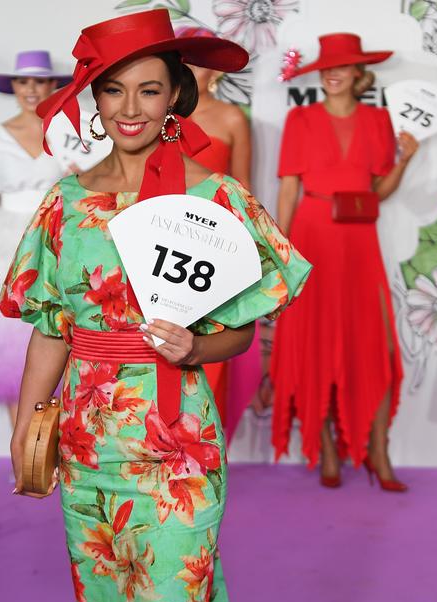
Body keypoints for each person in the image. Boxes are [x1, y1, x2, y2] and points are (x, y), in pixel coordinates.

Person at [0, 10, 311, 602]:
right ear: (95, 98)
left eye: (149, 89)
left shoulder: (212, 201)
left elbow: (240, 335)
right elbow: (51, 329)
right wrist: (30, 429)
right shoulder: (67, 203)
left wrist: (194, 343)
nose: (131, 107)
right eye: (114, 89)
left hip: (177, 457)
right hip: (90, 454)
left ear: (178, 95)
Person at [271, 33, 418, 491]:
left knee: (371, 344)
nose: (332, 73)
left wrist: (406, 161)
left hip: (359, 242)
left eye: (342, 67)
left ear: (359, 74)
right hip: (312, 236)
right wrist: (282, 250)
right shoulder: (300, 118)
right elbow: (290, 188)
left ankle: (378, 449)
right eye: (326, 68)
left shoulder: (378, 121)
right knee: (314, 341)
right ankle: (327, 449)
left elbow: (378, 192)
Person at [0, 51, 69, 426]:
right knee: (9, 345)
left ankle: (62, 448)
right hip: (6, 248)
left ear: (53, 85)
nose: (32, 89)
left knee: (64, 333)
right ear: (14, 88)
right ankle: (22, 449)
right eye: (24, 82)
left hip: (61, 242)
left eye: (40, 81)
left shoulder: (73, 133)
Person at [174, 25, 259, 438]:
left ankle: (207, 443)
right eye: (181, 58)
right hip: (161, 243)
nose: (187, 66)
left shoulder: (231, 118)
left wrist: (247, 251)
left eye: (196, 59)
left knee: (215, 339)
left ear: (216, 71)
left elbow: (244, 190)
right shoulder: (157, 115)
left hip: (214, 246)